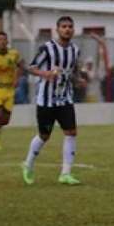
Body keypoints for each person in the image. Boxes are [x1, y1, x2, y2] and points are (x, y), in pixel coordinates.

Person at [22, 16, 83, 186]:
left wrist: (79, 80)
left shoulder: (75, 50)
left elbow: (73, 71)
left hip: (65, 98)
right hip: (46, 100)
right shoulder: (47, 48)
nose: (67, 29)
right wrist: (45, 74)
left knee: (71, 132)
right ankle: (28, 165)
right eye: (64, 26)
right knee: (44, 136)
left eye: (70, 26)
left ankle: (65, 173)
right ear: (57, 29)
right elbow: (31, 68)